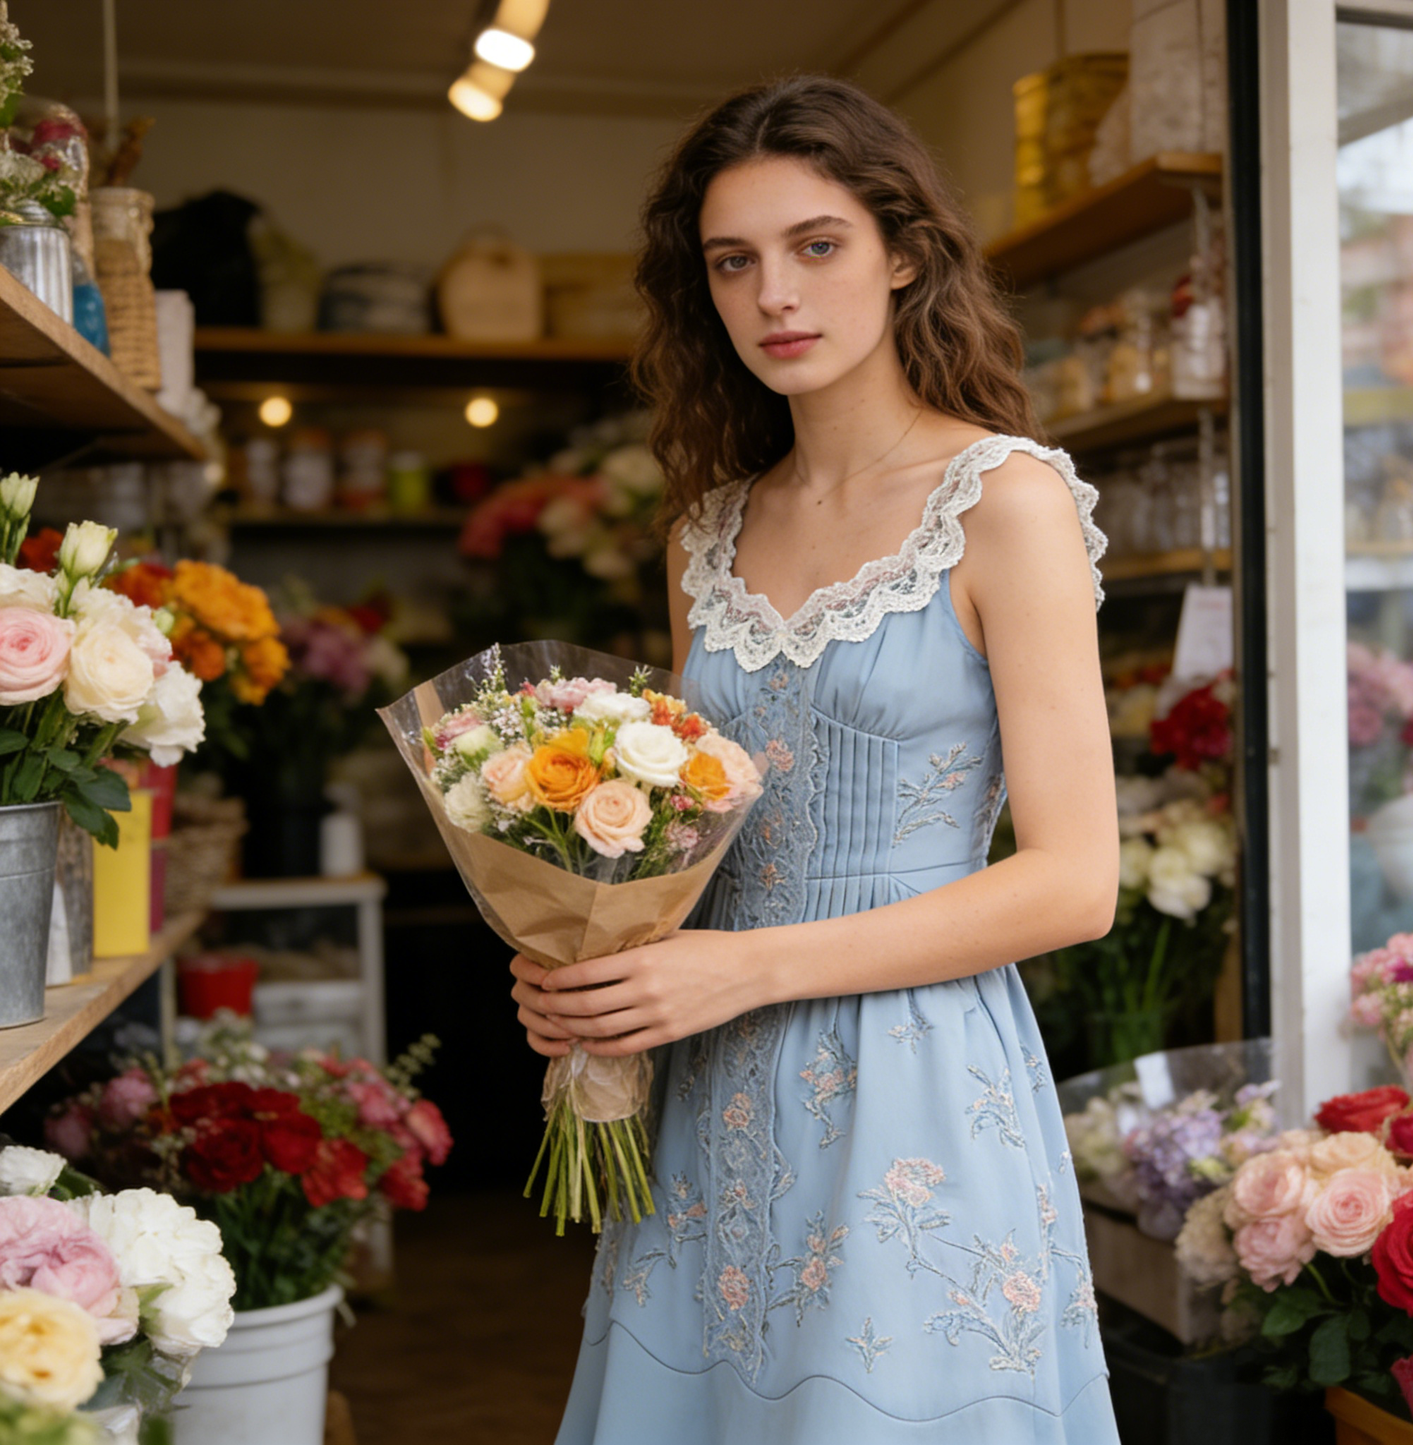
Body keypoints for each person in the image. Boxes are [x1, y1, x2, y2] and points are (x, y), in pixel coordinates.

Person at [510, 74, 1122, 1444]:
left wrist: (742, 969)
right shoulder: (705, 535)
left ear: (904, 254)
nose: (774, 294)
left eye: (818, 244)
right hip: (711, 1089)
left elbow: (1077, 883)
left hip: (917, 1085)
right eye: (733, 261)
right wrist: (586, 964)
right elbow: (691, 838)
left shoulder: (1007, 501)